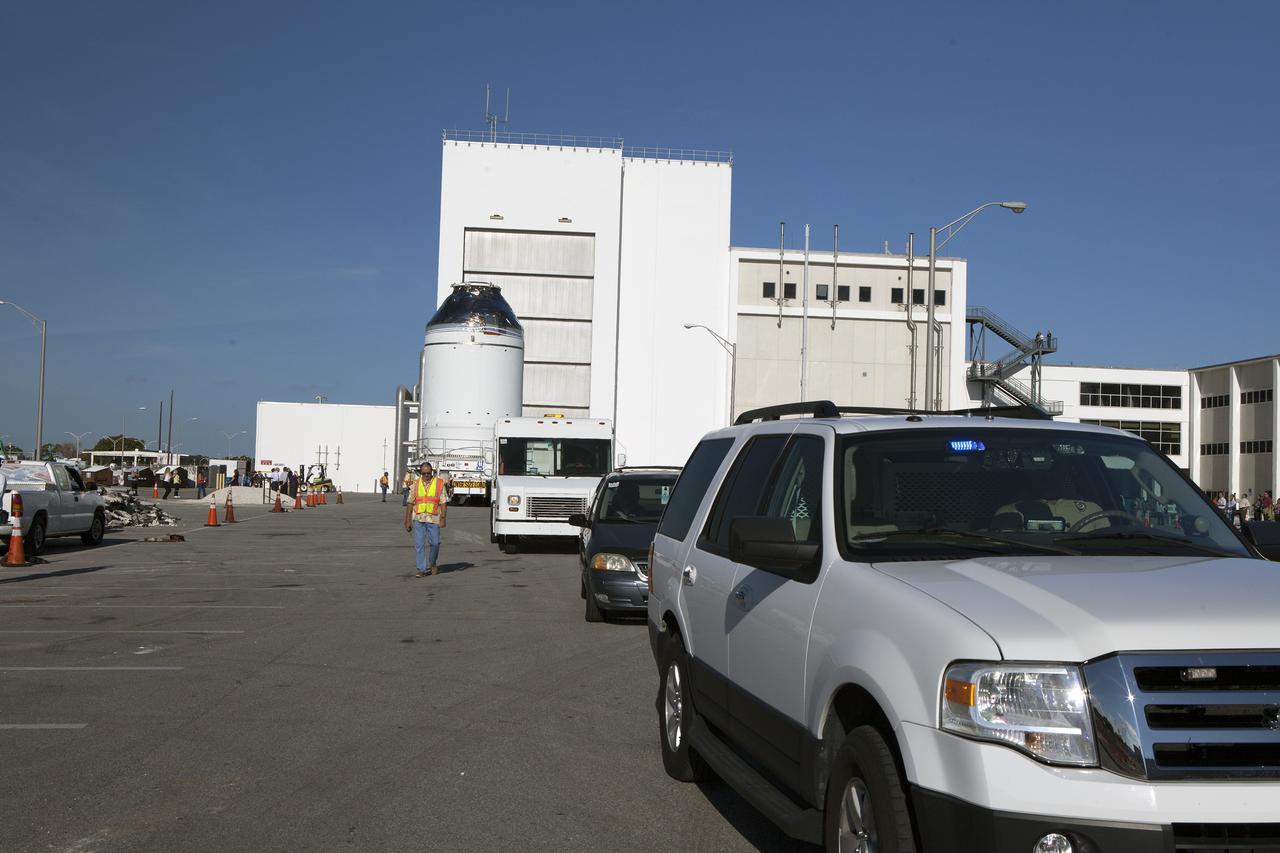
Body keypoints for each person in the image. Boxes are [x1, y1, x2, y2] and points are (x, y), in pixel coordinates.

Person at [404, 461, 448, 577]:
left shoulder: (439, 483)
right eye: (424, 473)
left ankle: (433, 563)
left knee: (435, 543)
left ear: (432, 472)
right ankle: (421, 569)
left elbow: (443, 502)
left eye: (428, 473)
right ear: (420, 473)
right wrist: (407, 520)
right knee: (419, 544)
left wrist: (443, 518)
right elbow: (410, 502)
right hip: (418, 518)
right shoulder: (415, 484)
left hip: (433, 519)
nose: (426, 475)